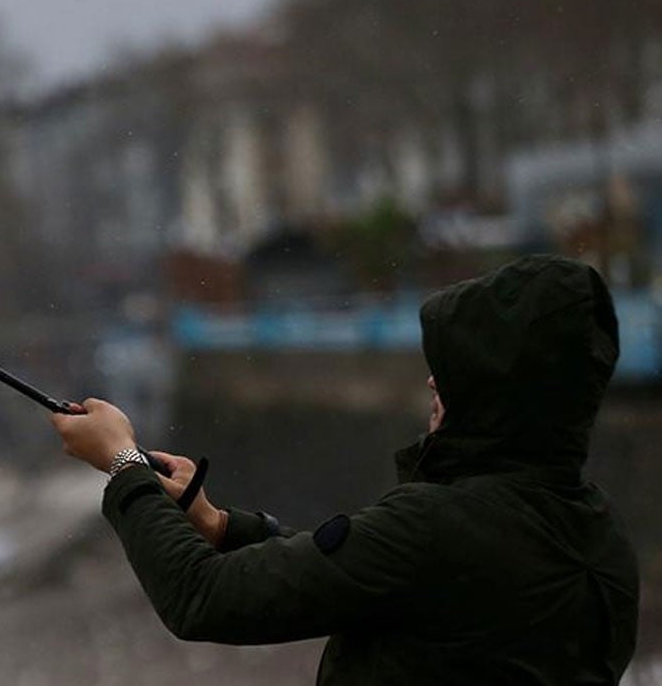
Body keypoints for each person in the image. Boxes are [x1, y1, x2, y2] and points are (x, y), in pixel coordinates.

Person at [50, 254, 640, 683]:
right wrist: (221, 526)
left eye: (456, 368)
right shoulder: (601, 537)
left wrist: (123, 463)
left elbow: (203, 598)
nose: (433, 380)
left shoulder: (434, 529)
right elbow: (369, 576)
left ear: (500, 389)